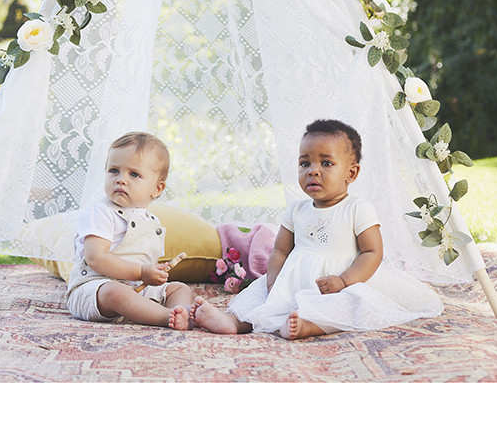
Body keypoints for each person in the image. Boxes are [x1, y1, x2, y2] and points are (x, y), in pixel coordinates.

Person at [191, 119, 443, 339]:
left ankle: (308, 326)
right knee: (259, 296)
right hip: (295, 280)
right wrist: (274, 280)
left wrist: (344, 281)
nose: (313, 170)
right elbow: (280, 250)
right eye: (305, 163)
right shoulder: (296, 210)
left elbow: (372, 253)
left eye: (326, 163)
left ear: (351, 172)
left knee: (353, 303)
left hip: (340, 282)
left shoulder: (357, 209)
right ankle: (234, 321)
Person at [66, 131, 195, 330]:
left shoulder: (153, 222)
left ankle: (180, 312)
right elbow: (96, 259)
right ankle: (164, 317)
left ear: (157, 189)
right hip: (95, 288)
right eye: (114, 171)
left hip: (136, 288)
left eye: (134, 174)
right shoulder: (101, 213)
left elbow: (145, 260)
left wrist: (155, 272)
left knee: (179, 288)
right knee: (114, 292)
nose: (121, 179)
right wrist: (142, 272)